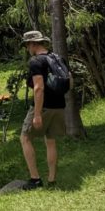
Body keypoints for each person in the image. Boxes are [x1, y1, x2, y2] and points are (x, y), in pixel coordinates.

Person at [19, 30, 66, 189]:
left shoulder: (36, 62)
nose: (27, 48)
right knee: (51, 141)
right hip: (59, 106)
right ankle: (52, 180)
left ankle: (35, 179)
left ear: (33, 44)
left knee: (25, 137)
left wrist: (37, 114)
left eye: (27, 45)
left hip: (43, 107)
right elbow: (70, 81)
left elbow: (39, 88)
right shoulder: (57, 58)